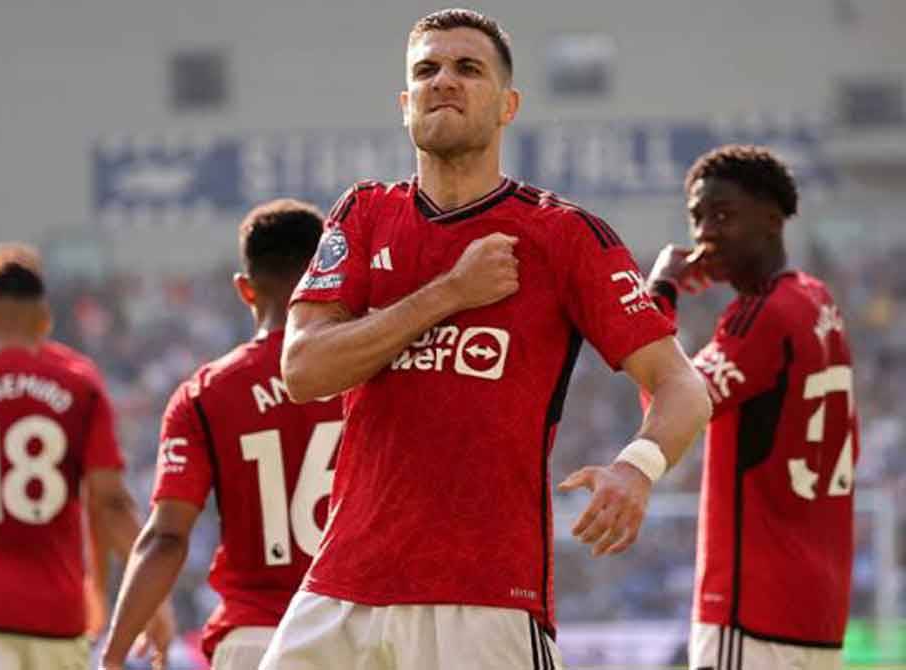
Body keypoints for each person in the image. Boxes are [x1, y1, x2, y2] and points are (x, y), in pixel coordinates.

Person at [264, 9, 711, 670]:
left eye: (467, 69)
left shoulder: (564, 236)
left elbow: (682, 386)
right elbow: (302, 370)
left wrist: (637, 467)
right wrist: (450, 291)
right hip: (343, 589)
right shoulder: (363, 214)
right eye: (427, 71)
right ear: (404, 103)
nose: (444, 81)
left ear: (508, 105)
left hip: (486, 598)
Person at [0, 243, 173, 670]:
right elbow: (109, 502)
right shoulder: (79, 382)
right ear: (45, 322)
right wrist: (135, 595)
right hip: (57, 614)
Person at [100, 199, 342, 670]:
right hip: (352, 631)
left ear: (245, 290)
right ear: (327, 278)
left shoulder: (205, 394)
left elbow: (166, 539)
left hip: (254, 641)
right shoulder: (371, 376)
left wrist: (112, 656)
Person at [646, 145, 858, 670]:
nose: (705, 233)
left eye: (723, 215)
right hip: (817, 607)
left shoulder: (761, 316)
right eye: (697, 218)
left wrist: (660, 293)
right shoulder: (816, 299)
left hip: (753, 607)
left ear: (770, 219)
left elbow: (667, 407)